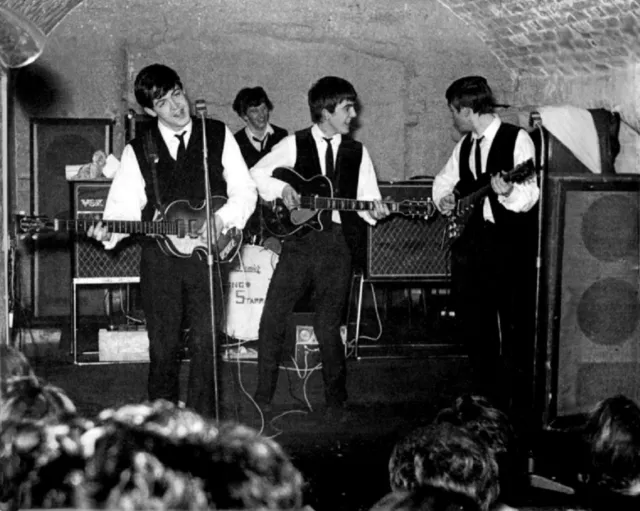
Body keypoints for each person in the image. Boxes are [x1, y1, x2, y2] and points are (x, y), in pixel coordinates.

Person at [88, 64, 257, 418]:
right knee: (163, 349)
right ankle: (161, 428)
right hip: (160, 264)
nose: (177, 107)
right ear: (151, 111)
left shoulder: (218, 134)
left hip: (207, 257)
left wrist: (220, 220)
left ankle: (204, 428)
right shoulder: (138, 149)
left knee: (206, 346)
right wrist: (108, 232)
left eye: (177, 94)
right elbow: (123, 210)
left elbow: (245, 191)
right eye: (163, 103)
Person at [250, 76, 390, 421]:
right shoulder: (293, 143)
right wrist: (283, 190)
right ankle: (262, 398)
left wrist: (376, 210)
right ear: (325, 112)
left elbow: (368, 199)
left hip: (337, 247)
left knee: (329, 326)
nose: (353, 114)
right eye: (346, 108)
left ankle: (336, 402)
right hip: (299, 245)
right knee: (271, 319)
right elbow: (256, 174)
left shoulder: (358, 152)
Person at [432, 76, 539, 415]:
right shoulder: (465, 145)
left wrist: (507, 190)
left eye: (454, 111)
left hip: (508, 247)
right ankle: (484, 401)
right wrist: (444, 200)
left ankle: (517, 408)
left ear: (468, 110)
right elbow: (444, 180)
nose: (453, 118)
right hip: (471, 247)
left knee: (514, 326)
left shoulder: (517, 139)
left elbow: (529, 196)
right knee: (474, 325)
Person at [232, 86, 288, 243]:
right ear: (244, 116)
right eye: (254, 111)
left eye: (264, 109)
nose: (262, 115)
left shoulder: (282, 136)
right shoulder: (234, 142)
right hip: (251, 213)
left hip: (278, 211)